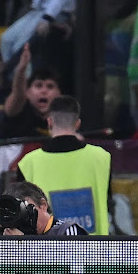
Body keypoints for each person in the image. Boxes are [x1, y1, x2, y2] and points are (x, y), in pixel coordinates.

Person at [16, 95, 112, 235]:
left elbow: (22, 219)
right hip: (94, 252)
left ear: (49, 122)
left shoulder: (28, 163)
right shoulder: (102, 158)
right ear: (77, 124)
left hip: (46, 253)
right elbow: (109, 205)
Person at [3, 43, 62, 138]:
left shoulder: (65, 120)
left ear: (59, 94)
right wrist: (21, 69)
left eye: (50, 86)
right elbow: (18, 95)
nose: (44, 91)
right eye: (38, 86)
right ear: (28, 92)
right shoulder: (19, 113)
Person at [0, 181, 88, 236]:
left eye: (27, 211)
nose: (23, 219)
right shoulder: (8, 234)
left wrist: (24, 247)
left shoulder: (66, 231)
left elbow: (70, 267)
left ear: (43, 205)